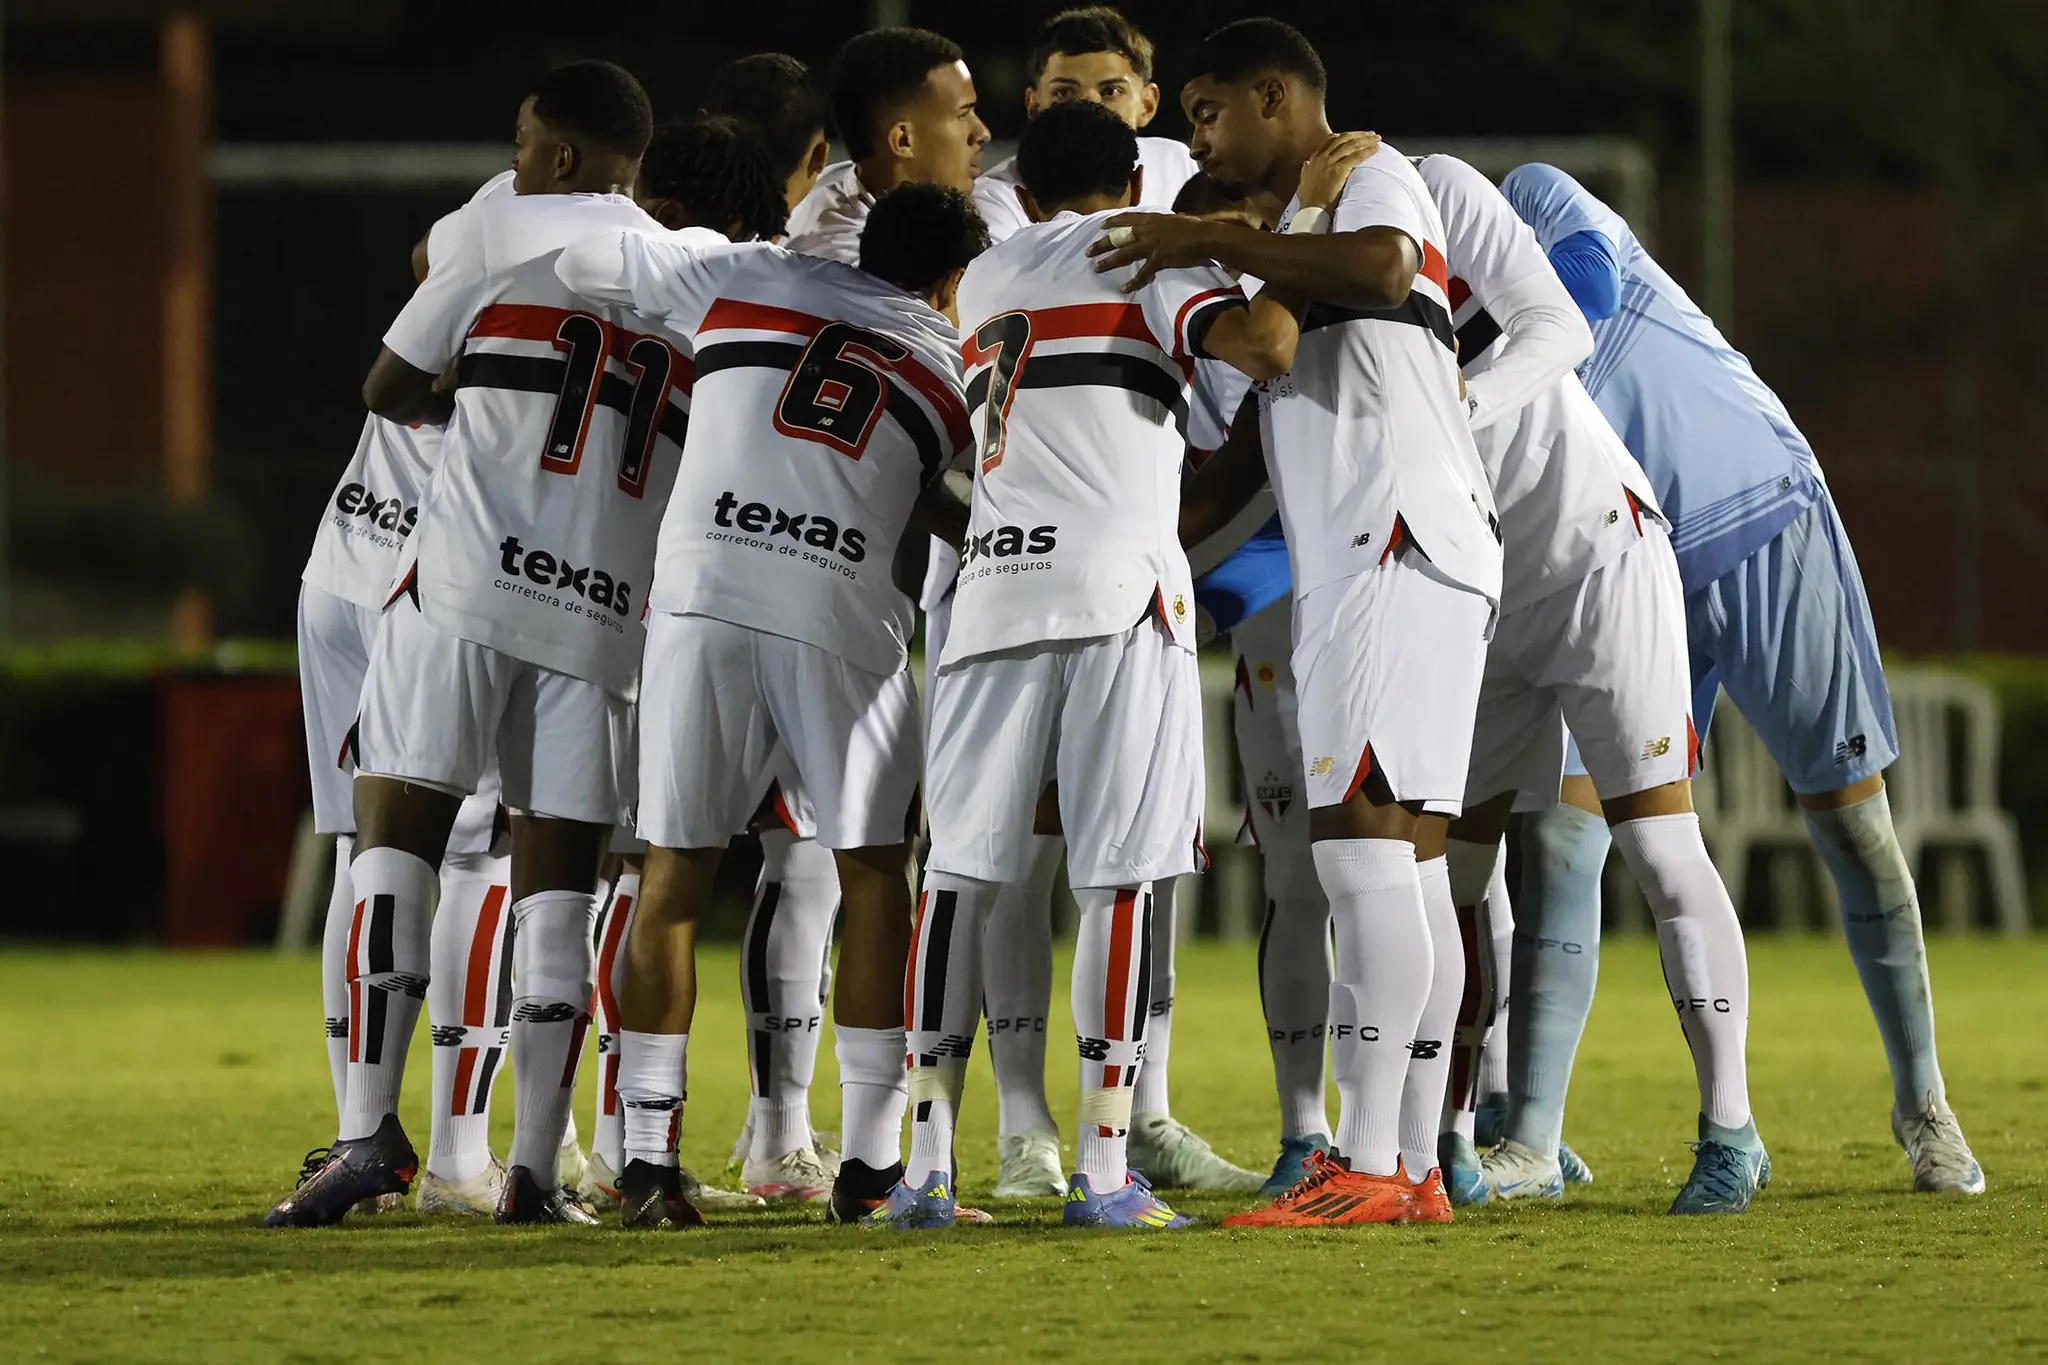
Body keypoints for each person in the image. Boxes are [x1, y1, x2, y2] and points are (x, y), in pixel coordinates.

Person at [263, 73, 775, 1229]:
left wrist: (478, 403)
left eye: (525, 138)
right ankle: (534, 1170)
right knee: (558, 889)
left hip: (460, 582)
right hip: (600, 612)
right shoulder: (706, 277)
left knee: (393, 846)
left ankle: (369, 1135)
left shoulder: (498, 225)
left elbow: (389, 387)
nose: (516, 155)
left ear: (560, 155)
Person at [1498, 163, 1984, 1195]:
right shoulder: (1432, 322)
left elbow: (1582, 296)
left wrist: (1468, 360)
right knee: (1563, 835)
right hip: (1623, 565)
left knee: (1852, 826)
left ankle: (1924, 1107)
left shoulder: (1532, 197)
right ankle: (1532, 1142)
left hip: (1759, 515)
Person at [863, 100, 1296, 1231]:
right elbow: (1267, 347)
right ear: (1131, 183)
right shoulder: (1147, 253)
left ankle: (924, 1167)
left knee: (956, 877)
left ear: (1026, 191)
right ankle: (1104, 1168)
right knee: (1118, 877)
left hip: (989, 591)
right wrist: (1258, 248)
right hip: (1116, 592)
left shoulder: (985, 276)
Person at [1103, 17, 1501, 1227]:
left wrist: (1212, 236)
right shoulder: (1288, 247)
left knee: (1361, 854)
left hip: (1388, 541)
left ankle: (1364, 1163)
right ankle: (1412, 1167)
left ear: (1275, 98)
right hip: (1409, 546)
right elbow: (1233, 462)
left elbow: (1383, 269)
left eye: (1206, 113)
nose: (1193, 140)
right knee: (1410, 864)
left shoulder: (1365, 174)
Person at [554, 183, 986, 1229]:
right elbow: (978, 502)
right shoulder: (948, 362)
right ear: (949, 281)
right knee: (874, 875)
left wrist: (720, 247)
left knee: (672, 876)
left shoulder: (747, 276)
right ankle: (871, 1167)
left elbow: (582, 262)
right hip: (837, 615)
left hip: (698, 596)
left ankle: (648, 1162)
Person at [958, 3, 1260, 1203]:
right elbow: (1257, 347)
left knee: (1015, 862)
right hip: (1084, 555)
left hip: (1038, 555)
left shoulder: (1015, 240)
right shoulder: (1124, 221)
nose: (1085, 102)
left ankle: (1116, 1120)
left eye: (1105, 86)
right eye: (1063, 88)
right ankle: (1052, 1137)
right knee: (1071, 859)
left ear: (1147, 100)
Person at [296, 177, 518, 1219]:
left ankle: (358, 1135)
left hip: (344, 560)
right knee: (476, 855)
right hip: (433, 587)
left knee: (365, 850)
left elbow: (429, 260)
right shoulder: (599, 244)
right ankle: (458, 1158)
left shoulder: (494, 212)